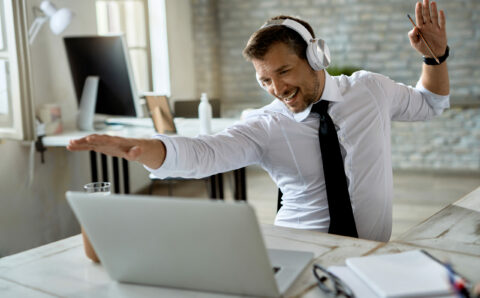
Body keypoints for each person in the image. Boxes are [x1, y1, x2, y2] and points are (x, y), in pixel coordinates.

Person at [68, 0, 449, 261]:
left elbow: (430, 103)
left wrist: (435, 56)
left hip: (369, 255)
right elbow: (205, 153)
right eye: (265, 80)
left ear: (317, 57)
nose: (278, 89)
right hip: (296, 253)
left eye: (283, 72)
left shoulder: (369, 90)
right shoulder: (266, 124)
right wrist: (143, 149)